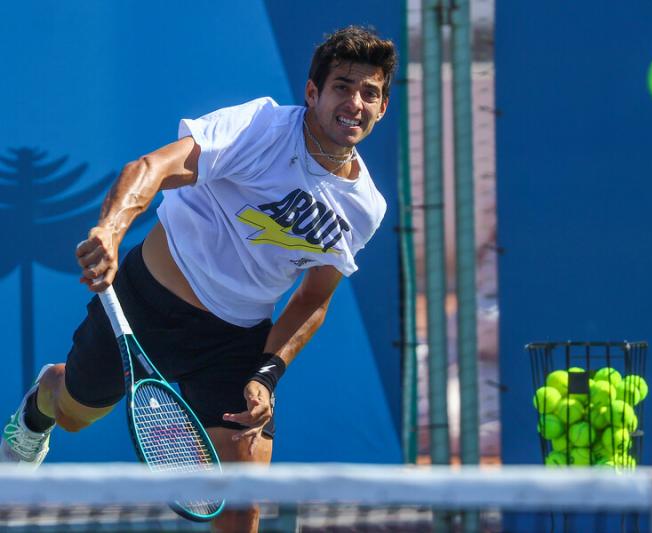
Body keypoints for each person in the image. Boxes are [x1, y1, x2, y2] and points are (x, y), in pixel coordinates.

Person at [0, 25, 396, 533]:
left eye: (371, 92)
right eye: (343, 86)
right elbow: (153, 167)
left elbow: (315, 299)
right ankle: (44, 400)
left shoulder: (364, 208)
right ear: (313, 92)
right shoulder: (261, 128)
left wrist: (266, 375)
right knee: (75, 411)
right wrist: (110, 230)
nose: (356, 102)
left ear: (382, 108)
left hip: (234, 342)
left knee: (241, 502)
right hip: (145, 302)